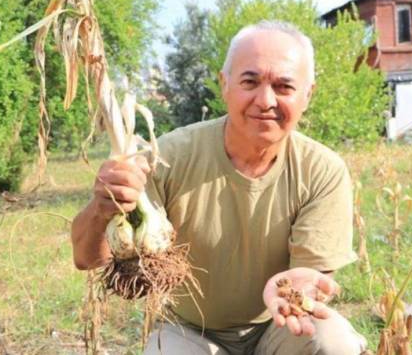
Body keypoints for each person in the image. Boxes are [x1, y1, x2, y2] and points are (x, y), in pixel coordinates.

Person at [71, 20, 368, 355]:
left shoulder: (322, 170)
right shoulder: (168, 156)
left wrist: (297, 289)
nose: (265, 100)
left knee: (334, 343)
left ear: (307, 95)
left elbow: (309, 273)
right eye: (250, 81)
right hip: (190, 332)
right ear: (224, 84)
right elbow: (87, 258)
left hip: (279, 324)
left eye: (284, 87)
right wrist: (103, 206)